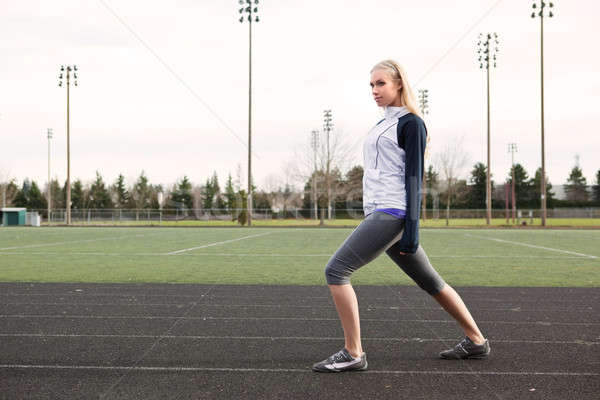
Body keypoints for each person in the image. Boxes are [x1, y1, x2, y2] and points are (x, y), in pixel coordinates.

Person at [312, 60, 490, 373]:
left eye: (381, 83)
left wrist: (412, 229)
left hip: (392, 212)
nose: (375, 91)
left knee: (336, 270)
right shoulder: (382, 123)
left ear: (399, 85)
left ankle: (353, 353)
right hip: (379, 211)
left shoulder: (411, 123)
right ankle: (476, 340)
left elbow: (414, 179)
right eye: (371, 85)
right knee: (430, 281)